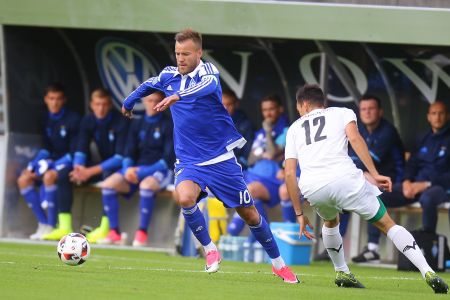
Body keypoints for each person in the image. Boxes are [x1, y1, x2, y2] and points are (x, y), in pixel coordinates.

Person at [122, 28, 298, 283]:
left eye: (186, 54)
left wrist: (177, 96)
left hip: (220, 160)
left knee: (248, 213)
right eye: (177, 53)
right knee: (184, 197)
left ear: (199, 53)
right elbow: (150, 83)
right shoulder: (169, 75)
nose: (180, 58)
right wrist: (129, 101)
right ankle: (210, 249)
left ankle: (278, 263)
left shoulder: (209, 74)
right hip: (189, 161)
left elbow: (206, 87)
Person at [284, 83, 448, 293]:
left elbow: (290, 173)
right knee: (387, 224)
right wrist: (375, 173)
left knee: (330, 220)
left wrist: (299, 212)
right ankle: (427, 271)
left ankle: (342, 271)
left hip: (313, 187)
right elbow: (355, 138)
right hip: (346, 179)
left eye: (299, 108)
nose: (299, 112)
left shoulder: (294, 128)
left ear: (304, 104)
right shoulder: (343, 112)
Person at [99, 92, 174, 246]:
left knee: (146, 186)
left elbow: (167, 160)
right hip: (136, 170)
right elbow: (128, 153)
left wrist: (141, 172)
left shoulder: (168, 124)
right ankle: (114, 232)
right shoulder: (137, 123)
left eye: (157, 101)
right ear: (144, 101)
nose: (153, 104)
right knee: (107, 184)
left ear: (163, 103)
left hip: (161, 171)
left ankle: (142, 233)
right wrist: (127, 169)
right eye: (149, 100)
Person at [17, 83, 80, 240]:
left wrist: (51, 165)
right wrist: (32, 165)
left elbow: (75, 152)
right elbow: (45, 148)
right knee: (24, 179)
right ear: (46, 99)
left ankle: (52, 226)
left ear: (64, 100)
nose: (55, 102)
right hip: (50, 161)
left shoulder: (73, 119)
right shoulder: (44, 118)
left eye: (58, 99)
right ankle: (43, 224)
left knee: (49, 176)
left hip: (68, 162)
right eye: (51, 99)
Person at [349, 95, 406, 263]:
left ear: (380, 111)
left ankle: (372, 249)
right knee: (343, 189)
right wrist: (363, 173)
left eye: (371, 108)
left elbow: (370, 159)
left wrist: (363, 171)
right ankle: (332, 242)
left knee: (373, 193)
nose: (367, 112)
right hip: (372, 181)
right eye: (364, 109)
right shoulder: (360, 131)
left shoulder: (388, 131)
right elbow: (351, 157)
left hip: (395, 184)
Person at [68, 88, 129, 243]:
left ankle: (106, 228)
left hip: (120, 166)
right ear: (91, 105)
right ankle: (60, 225)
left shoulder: (120, 121)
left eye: (104, 104)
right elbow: (81, 146)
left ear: (109, 105)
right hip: (101, 165)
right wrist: (78, 167)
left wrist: (89, 172)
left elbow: (120, 157)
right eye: (97, 104)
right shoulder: (88, 120)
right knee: (65, 175)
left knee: (108, 174)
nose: (100, 108)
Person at [227, 95, 291, 238]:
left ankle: (230, 237)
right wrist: (264, 153)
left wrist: (268, 132)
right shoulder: (260, 133)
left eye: (271, 109)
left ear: (280, 109)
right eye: (264, 110)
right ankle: (260, 239)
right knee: (243, 194)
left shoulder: (287, 130)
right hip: (254, 176)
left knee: (248, 192)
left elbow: (273, 152)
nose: (268, 113)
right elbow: (250, 159)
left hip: (272, 181)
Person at [221, 89, 254, 169]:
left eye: (229, 104)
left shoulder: (245, 125)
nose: (225, 108)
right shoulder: (213, 122)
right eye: (222, 105)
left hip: (237, 165)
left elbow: (246, 156)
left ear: (236, 104)